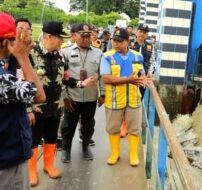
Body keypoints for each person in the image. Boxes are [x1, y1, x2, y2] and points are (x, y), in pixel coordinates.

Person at [28, 21, 96, 187]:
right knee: (34, 140)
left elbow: (65, 78)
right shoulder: (31, 54)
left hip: (56, 107)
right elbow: (24, 82)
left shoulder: (59, 56)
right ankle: (31, 170)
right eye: (60, 38)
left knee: (51, 137)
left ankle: (49, 165)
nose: (62, 42)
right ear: (49, 37)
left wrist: (81, 84)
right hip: (37, 108)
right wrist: (28, 108)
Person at [0, 12, 45, 190]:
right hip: (7, 160)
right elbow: (39, 95)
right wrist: (23, 57)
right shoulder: (3, 80)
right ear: (5, 43)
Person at [99, 28, 147, 167]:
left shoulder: (138, 56)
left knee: (134, 128)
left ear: (128, 42)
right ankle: (115, 153)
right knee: (113, 127)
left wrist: (144, 79)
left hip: (133, 98)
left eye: (120, 41)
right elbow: (106, 78)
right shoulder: (107, 57)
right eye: (114, 40)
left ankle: (133, 154)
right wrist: (128, 80)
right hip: (114, 99)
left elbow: (141, 73)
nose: (116, 43)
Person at [61, 23, 105, 163]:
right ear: (75, 36)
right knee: (68, 125)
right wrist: (64, 97)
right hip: (72, 97)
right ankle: (66, 149)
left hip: (91, 96)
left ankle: (85, 147)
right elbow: (61, 77)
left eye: (89, 35)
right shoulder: (65, 52)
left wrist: (102, 94)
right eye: (83, 35)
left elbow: (102, 75)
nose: (86, 38)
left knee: (88, 125)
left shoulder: (98, 53)